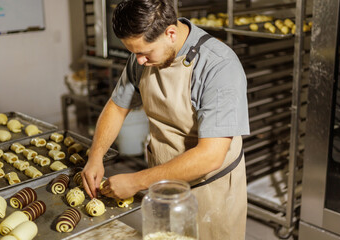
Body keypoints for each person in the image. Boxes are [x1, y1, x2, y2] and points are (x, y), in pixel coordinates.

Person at [81, 0, 250, 239]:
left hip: (210, 188)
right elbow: (117, 107)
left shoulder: (219, 66)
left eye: (144, 53)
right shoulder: (143, 56)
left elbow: (210, 156)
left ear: (170, 33)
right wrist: (95, 156)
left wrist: (137, 181)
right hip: (161, 181)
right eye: (134, 53)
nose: (139, 60)